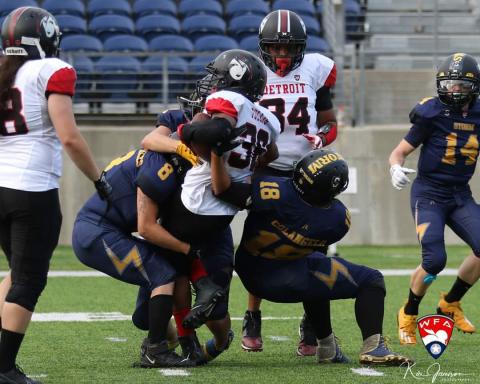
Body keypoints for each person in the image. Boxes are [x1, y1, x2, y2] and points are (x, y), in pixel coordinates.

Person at [214, 148, 412, 366]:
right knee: (370, 280)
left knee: (316, 269)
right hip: (288, 277)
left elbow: (223, 191)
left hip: (250, 270)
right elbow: (317, 253)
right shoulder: (337, 218)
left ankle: (327, 348)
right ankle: (373, 347)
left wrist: (217, 154)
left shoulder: (270, 189)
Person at [0, 7, 112, 384]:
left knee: (17, 272)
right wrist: (98, 178)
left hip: (1, 185)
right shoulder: (51, 70)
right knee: (29, 280)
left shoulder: (4, 72)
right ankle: (4, 368)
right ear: (46, 38)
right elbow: (69, 136)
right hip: (31, 190)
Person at [242, 9, 339, 356]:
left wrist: (321, 140)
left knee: (316, 243)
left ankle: (310, 319)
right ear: (263, 47)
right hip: (265, 168)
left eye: (288, 49)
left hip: (306, 171)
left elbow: (330, 124)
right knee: (259, 240)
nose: (282, 55)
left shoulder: (315, 69)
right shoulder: (251, 72)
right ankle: (253, 314)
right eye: (275, 48)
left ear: (301, 48)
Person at [390, 52, 480, 345]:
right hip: (429, 193)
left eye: (459, 85)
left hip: (460, 194)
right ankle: (409, 312)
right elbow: (400, 151)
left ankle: (450, 303)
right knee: (434, 260)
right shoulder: (432, 112)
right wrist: (394, 166)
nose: (453, 90)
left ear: (473, 87)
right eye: (448, 84)